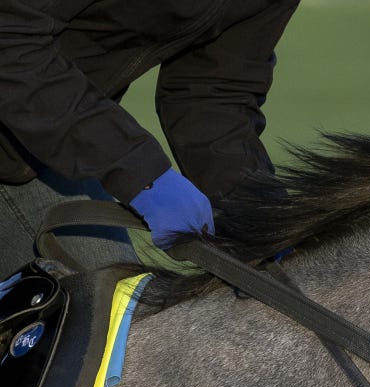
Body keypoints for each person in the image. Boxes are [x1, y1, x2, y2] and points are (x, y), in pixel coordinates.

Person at [0, 1, 299, 274]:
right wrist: (139, 172)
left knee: (118, 303)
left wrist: (258, 216)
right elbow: (9, 32)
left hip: (37, 143)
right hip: (18, 123)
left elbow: (216, 93)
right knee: (99, 304)